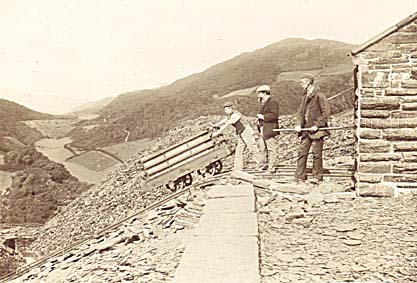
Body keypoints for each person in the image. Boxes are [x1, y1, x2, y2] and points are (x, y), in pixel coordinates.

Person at [294, 75, 331, 184]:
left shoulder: (319, 95)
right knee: (302, 152)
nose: (301, 85)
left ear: (309, 83)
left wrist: (318, 125)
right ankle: (300, 176)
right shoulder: (305, 96)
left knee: (317, 154)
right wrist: (298, 124)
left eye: (302, 83)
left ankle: (317, 176)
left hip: (317, 131)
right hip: (306, 129)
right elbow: (301, 113)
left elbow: (326, 113)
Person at [212, 101, 262, 171]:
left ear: (231, 109)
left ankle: (260, 164)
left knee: (252, 148)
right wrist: (216, 125)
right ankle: (238, 168)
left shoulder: (236, 115)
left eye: (226, 109)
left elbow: (227, 124)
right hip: (241, 133)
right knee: (239, 150)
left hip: (246, 132)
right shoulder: (231, 115)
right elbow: (224, 120)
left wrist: (217, 132)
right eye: (225, 110)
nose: (225, 111)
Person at [256, 85, 279, 173]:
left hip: (269, 128)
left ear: (264, 93)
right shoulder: (264, 102)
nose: (258, 95)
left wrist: (262, 116)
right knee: (262, 147)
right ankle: (262, 165)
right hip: (263, 128)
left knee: (271, 148)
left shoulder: (272, 102)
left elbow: (274, 115)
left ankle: (271, 167)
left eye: (259, 93)